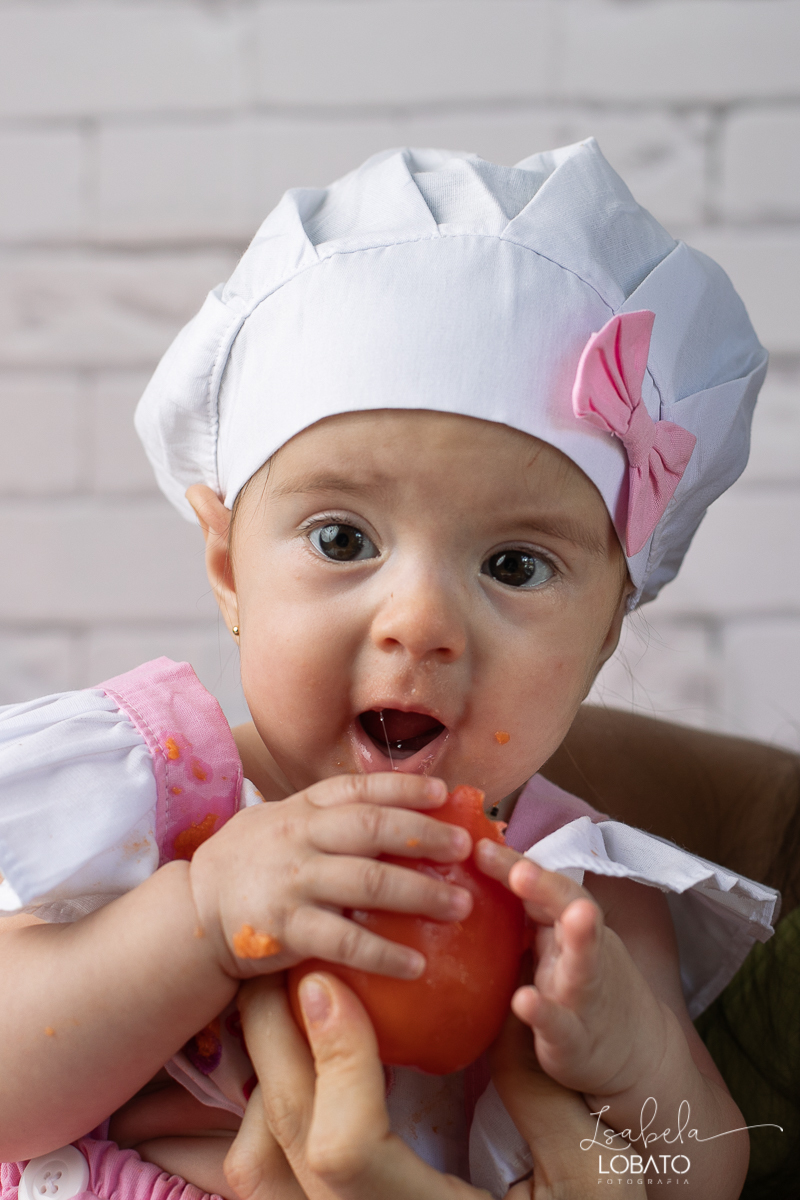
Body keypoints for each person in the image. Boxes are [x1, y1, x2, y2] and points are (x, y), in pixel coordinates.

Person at [0, 140, 778, 1200]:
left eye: (513, 564)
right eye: (340, 540)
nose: (419, 623)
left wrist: (633, 1059)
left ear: (604, 631)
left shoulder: (575, 893)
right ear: (228, 567)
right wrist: (195, 920)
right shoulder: (151, 795)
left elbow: (708, 1170)